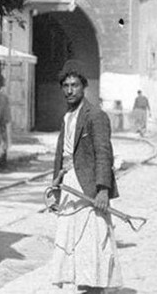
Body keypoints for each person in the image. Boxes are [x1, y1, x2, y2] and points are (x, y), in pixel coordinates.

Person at [50, 59, 122, 293]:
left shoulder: (95, 115)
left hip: (89, 188)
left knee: (91, 240)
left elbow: (104, 154)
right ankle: (79, 285)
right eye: (66, 86)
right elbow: (62, 154)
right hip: (69, 186)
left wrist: (103, 189)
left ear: (84, 87)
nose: (70, 90)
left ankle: (95, 288)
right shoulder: (67, 117)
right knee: (69, 239)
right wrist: (56, 187)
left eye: (75, 85)